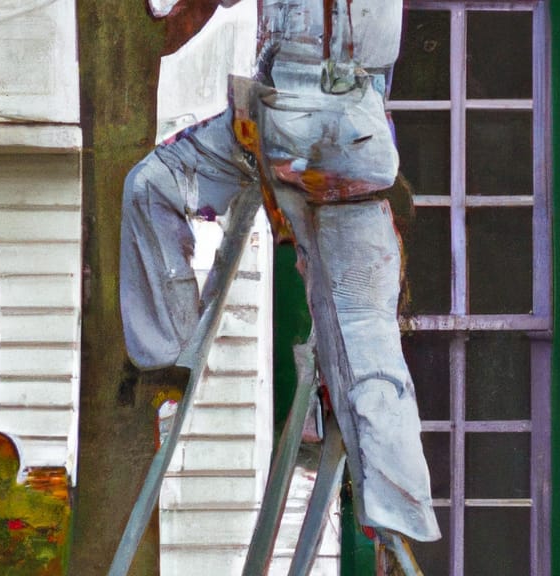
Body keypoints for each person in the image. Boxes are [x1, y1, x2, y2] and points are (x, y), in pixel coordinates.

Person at [120, 0, 440, 544]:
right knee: (366, 336)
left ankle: (169, 346)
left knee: (153, 184)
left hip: (299, 136)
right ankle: (397, 508)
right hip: (335, 136)